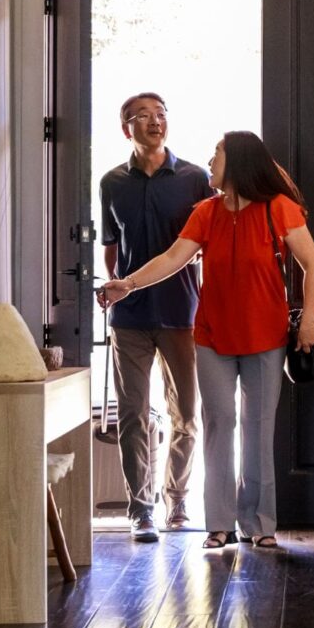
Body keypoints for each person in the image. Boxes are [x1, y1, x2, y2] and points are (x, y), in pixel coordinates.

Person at [99, 131, 314, 551]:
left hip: (266, 337)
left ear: (236, 162)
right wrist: (126, 284)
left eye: (216, 153)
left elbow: (313, 266)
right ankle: (219, 525)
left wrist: (308, 321)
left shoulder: (280, 209)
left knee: (258, 429)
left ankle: (260, 524)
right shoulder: (206, 212)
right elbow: (171, 260)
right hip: (213, 338)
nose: (210, 160)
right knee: (220, 426)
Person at [97, 92, 213, 542]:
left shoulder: (194, 178)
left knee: (186, 412)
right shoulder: (111, 182)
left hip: (182, 312)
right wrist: (117, 285)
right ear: (126, 128)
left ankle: (177, 500)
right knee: (131, 414)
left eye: (161, 114)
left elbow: (206, 242)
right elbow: (111, 245)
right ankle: (141, 508)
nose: (154, 121)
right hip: (129, 317)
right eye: (143, 116)